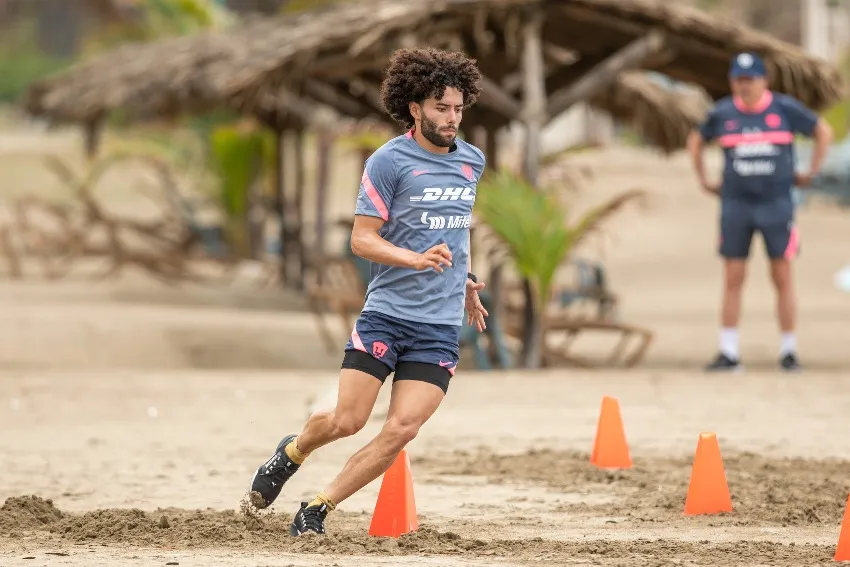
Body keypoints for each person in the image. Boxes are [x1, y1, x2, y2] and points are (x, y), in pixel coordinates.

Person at [247, 47, 489, 536]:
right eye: (442, 108)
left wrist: (463, 281)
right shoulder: (389, 161)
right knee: (347, 420)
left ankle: (317, 508)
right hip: (388, 314)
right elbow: (361, 238)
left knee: (401, 429)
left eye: (459, 108)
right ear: (416, 108)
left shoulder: (472, 162)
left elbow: (452, 232)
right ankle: (292, 451)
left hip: (438, 325)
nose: (452, 118)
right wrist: (414, 260)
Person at [687, 52, 832, 372]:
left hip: (777, 205)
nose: (745, 87)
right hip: (736, 205)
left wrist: (811, 170)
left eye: (750, 80)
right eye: (739, 80)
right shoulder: (723, 113)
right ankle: (728, 351)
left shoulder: (784, 109)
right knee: (733, 277)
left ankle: (789, 350)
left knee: (781, 275)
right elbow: (696, 139)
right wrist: (703, 178)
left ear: (763, 81)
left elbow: (823, 131)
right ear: (732, 82)